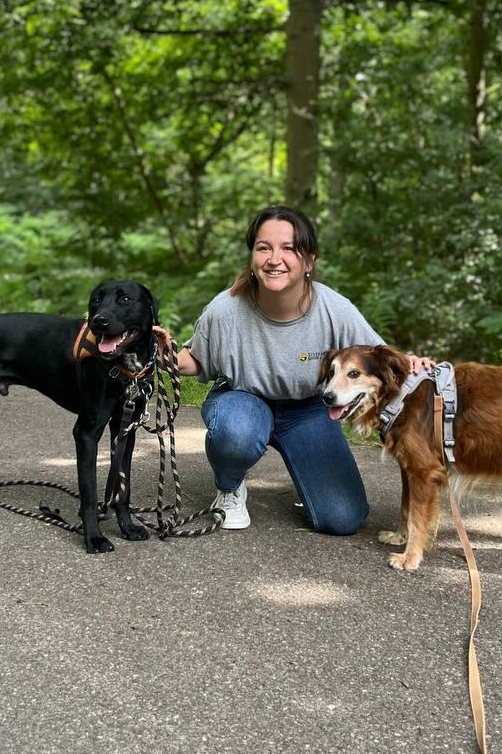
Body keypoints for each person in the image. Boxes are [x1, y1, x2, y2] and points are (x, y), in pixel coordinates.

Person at [155, 205, 432, 533]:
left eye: (288, 248)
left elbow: (380, 358)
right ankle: (229, 489)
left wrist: (412, 363)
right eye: (264, 248)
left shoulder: (334, 309)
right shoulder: (226, 309)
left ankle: (308, 481)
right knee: (237, 432)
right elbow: (197, 359)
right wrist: (165, 355)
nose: (275, 259)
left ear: (309, 261)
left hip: (308, 409)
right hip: (244, 402)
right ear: (253, 257)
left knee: (342, 519)